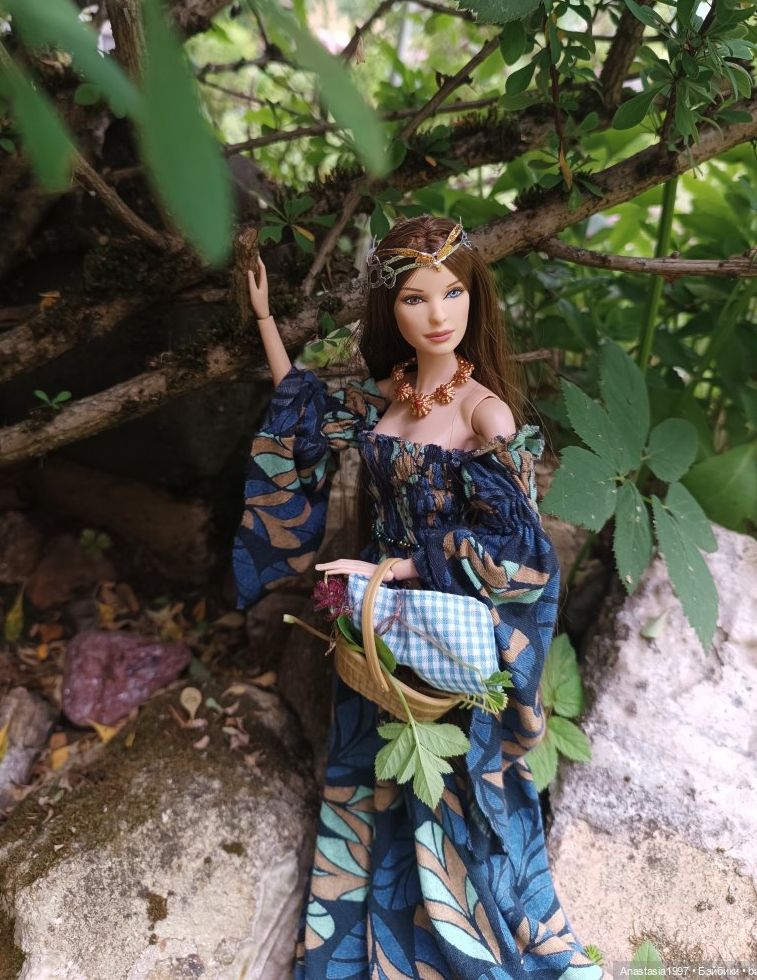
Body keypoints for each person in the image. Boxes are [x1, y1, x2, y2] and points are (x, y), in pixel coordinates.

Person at [232, 215, 602, 980]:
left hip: (442, 621)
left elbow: (517, 548)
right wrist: (264, 318)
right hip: (376, 624)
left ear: (475, 296)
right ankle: (360, 934)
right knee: (371, 769)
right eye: (415, 298)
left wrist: (400, 568)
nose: (439, 314)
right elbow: (303, 412)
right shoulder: (390, 393)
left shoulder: (485, 413)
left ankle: (451, 937)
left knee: (445, 784)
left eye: (453, 292)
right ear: (390, 309)